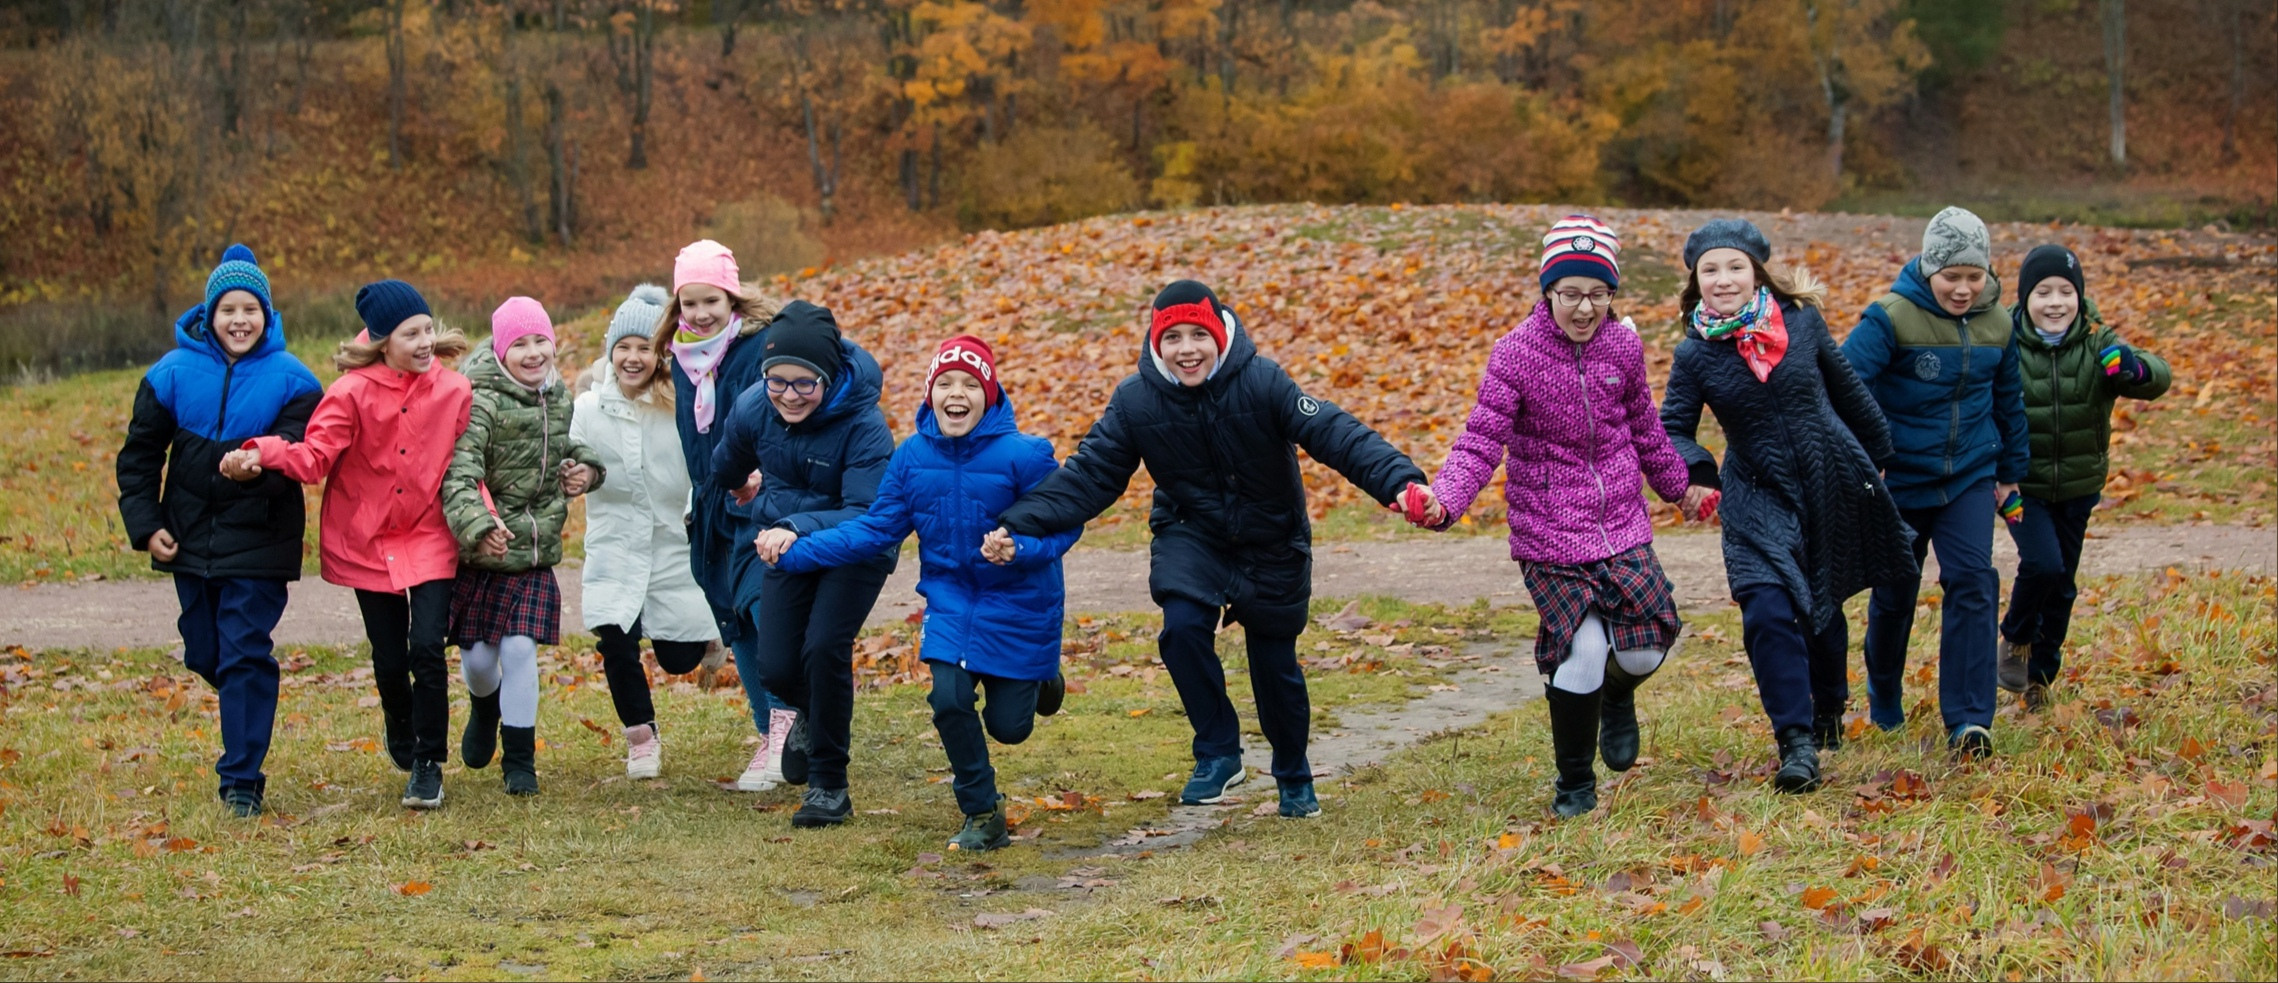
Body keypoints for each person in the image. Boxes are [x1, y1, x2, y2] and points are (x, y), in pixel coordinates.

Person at [996, 279, 1435, 820]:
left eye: (1197, 335)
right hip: (1192, 531)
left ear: (1218, 335)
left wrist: (1398, 482)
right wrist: (1018, 523)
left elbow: (1335, 433)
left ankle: (1293, 774)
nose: (1186, 350)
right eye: (1172, 338)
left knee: (1274, 668)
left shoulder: (1262, 381)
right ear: (1156, 345)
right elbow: (1090, 476)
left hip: (1273, 538)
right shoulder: (1136, 401)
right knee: (1181, 628)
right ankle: (1219, 751)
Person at [1425, 216, 1689, 819]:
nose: (1584, 307)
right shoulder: (1515, 355)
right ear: (1548, 291)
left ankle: (1613, 699)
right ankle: (1575, 785)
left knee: (1646, 650)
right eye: (1571, 292)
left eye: (1598, 294)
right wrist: (1446, 500)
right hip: (1548, 529)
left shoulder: (1623, 345)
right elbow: (1480, 440)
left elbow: (1646, 427)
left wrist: (1680, 486)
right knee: (1584, 649)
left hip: (1620, 521)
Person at [776, 335, 1078, 850]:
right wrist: (796, 548)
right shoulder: (911, 458)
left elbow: (1066, 523)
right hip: (952, 598)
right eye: (944, 384)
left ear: (988, 392)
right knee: (948, 698)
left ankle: (1043, 677)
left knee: (1010, 728)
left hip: (1019, 602)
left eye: (968, 384)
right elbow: (875, 530)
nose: (955, 394)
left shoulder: (1025, 456)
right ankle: (983, 812)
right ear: (930, 393)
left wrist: (1020, 548)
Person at [1658, 219, 1917, 794]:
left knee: (1821, 612)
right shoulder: (1695, 353)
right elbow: (1673, 426)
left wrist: (1876, 457)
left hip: (1829, 481)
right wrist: (1696, 474)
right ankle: (1796, 742)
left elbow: (1848, 390)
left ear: (1756, 273)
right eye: (1710, 271)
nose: (1723, 279)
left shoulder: (1800, 323)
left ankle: (1829, 707)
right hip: (1755, 493)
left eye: (1734, 267)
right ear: (1695, 283)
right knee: (1767, 609)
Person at [222, 279, 473, 808]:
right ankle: (398, 720)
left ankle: (429, 762)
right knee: (389, 655)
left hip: (429, 534)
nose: (426, 341)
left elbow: (467, 469)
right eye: (412, 334)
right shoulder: (351, 393)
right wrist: (262, 452)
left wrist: (484, 518)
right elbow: (314, 458)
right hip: (368, 539)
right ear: (383, 341)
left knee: (426, 647)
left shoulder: (454, 391)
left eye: (429, 329)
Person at [116, 244, 322, 817]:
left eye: (250, 309)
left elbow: (300, 455)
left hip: (260, 540)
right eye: (228, 308)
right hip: (187, 540)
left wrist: (258, 465)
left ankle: (241, 782)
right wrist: (145, 523)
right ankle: (243, 697)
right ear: (208, 315)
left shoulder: (294, 380)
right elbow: (139, 456)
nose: (239, 320)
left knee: (244, 653)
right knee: (207, 652)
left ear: (267, 315)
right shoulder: (171, 373)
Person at [1840, 206, 2028, 759]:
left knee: (1973, 579)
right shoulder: (1891, 317)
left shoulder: (2000, 325)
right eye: (1952, 277)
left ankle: (1970, 720)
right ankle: (1884, 695)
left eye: (1975, 277)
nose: (1964, 289)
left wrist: (2010, 474)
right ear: (1927, 268)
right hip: (1898, 478)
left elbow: (2009, 402)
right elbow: (1846, 384)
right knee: (1896, 594)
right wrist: (1867, 456)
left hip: (1968, 475)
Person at [712, 302, 897, 828]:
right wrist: (735, 480)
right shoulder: (755, 405)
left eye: (804, 384)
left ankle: (828, 786)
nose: (789, 396)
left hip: (856, 548)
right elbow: (727, 457)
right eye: (778, 382)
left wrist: (795, 527)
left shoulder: (864, 425)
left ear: (829, 376)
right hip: (784, 544)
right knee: (779, 667)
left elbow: (865, 511)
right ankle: (814, 718)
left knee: (823, 650)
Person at [440, 297, 604, 796]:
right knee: (479, 661)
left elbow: (566, 448)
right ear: (501, 349)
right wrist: (477, 527)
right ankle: (484, 705)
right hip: (485, 550)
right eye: (521, 344)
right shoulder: (480, 400)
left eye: (541, 342)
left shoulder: (557, 397)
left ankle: (519, 762)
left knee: (517, 649)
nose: (534, 354)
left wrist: (588, 469)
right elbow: (458, 474)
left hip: (533, 550)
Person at [2000, 244, 2171, 711]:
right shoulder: (2005, 343)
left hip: (2079, 485)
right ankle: (2014, 638)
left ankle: (2040, 678)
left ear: (2079, 296)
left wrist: (2133, 369)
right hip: (2022, 487)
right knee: (2042, 564)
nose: (2055, 303)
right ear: (2024, 297)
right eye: (2042, 292)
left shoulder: (2098, 340)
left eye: (2065, 292)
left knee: (2063, 584)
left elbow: (2159, 376)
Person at [571, 284, 723, 778]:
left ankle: (706, 640)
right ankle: (641, 737)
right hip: (615, 541)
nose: (633, 358)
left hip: (670, 543)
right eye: (624, 348)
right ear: (610, 352)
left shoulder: (681, 405)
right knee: (615, 638)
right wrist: (582, 476)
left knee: (677, 657)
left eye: (644, 348)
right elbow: (578, 459)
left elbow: (701, 467)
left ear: (661, 353)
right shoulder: (589, 408)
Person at [663, 239, 796, 790]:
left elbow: (777, 416)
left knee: (764, 611)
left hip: (755, 499)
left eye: (710, 300)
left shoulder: (757, 347)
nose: (700, 313)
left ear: (732, 296)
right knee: (733, 619)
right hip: (711, 504)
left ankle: (789, 731)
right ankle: (769, 730)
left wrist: (761, 476)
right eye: (689, 303)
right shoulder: (681, 358)